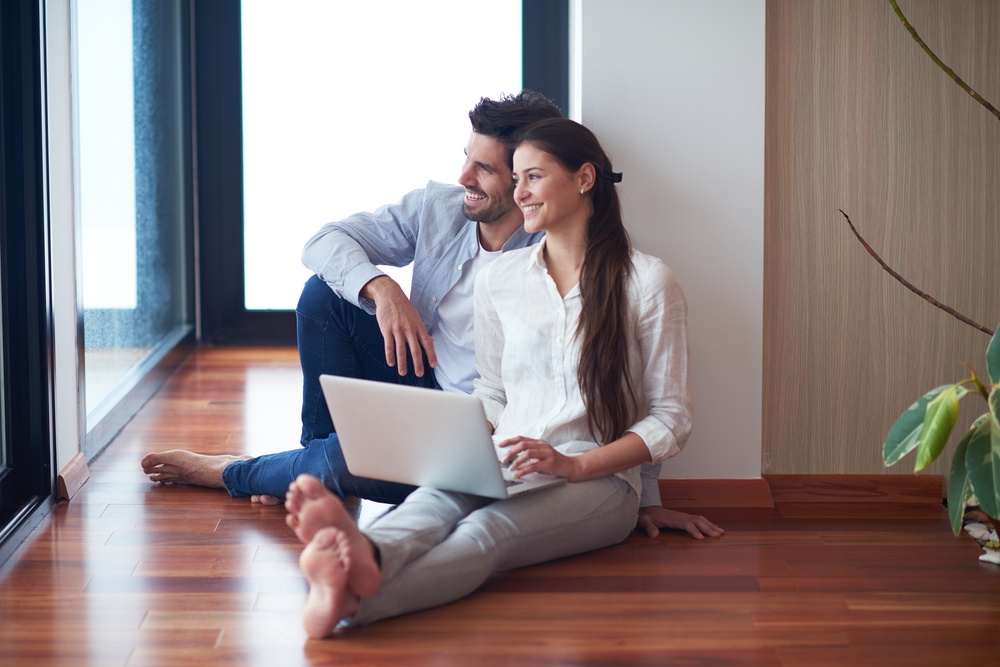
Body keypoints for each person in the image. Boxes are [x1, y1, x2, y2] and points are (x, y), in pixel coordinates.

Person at [141, 91, 721, 540]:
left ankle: (237, 473)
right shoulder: (440, 208)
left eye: (488, 170)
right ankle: (311, 463)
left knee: (354, 460)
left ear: (528, 177)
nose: (465, 179)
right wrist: (382, 288)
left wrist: (646, 501)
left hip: (486, 428)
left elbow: (629, 384)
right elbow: (325, 240)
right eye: (466, 160)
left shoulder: (569, 261)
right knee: (325, 294)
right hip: (420, 377)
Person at [284, 117, 712, 637]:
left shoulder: (647, 283)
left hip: (598, 482)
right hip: (507, 455)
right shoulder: (503, 281)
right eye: (516, 178)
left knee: (487, 530)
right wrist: (453, 440)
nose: (520, 192)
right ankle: (363, 555)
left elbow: (670, 418)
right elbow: (492, 392)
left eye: (532, 177)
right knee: (436, 499)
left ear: (584, 178)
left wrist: (580, 470)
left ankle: (352, 598)